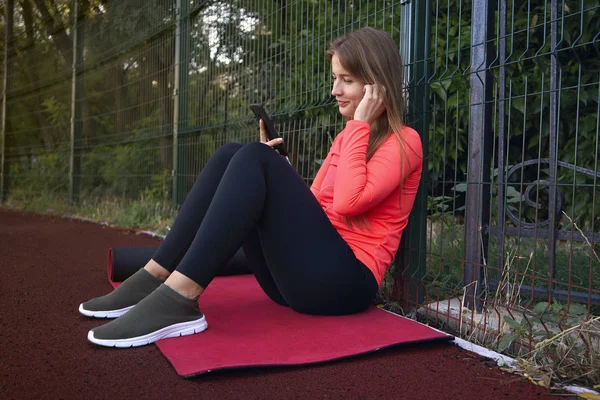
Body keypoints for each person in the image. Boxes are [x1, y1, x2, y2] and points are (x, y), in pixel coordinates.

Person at [79, 27, 423, 348]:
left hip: (346, 286)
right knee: (235, 154)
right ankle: (155, 275)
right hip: (296, 283)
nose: (334, 91)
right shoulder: (349, 138)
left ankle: (179, 298)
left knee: (257, 158)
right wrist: (280, 174)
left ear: (376, 86)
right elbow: (319, 207)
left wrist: (359, 126)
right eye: (335, 79)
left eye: (346, 80)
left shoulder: (404, 142)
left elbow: (349, 203)